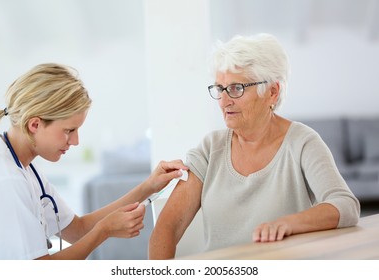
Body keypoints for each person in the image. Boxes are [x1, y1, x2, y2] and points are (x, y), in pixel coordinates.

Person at [148, 33, 361, 259]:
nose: (223, 101)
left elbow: (346, 205)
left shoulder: (302, 143)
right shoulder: (211, 149)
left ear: (272, 91)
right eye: (220, 88)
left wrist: (288, 224)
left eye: (236, 88)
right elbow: (166, 229)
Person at [0, 63, 188, 260]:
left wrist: (149, 186)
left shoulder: (24, 167)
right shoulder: (6, 180)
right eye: (69, 130)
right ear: (34, 124)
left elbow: (77, 230)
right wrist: (104, 230)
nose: (76, 141)